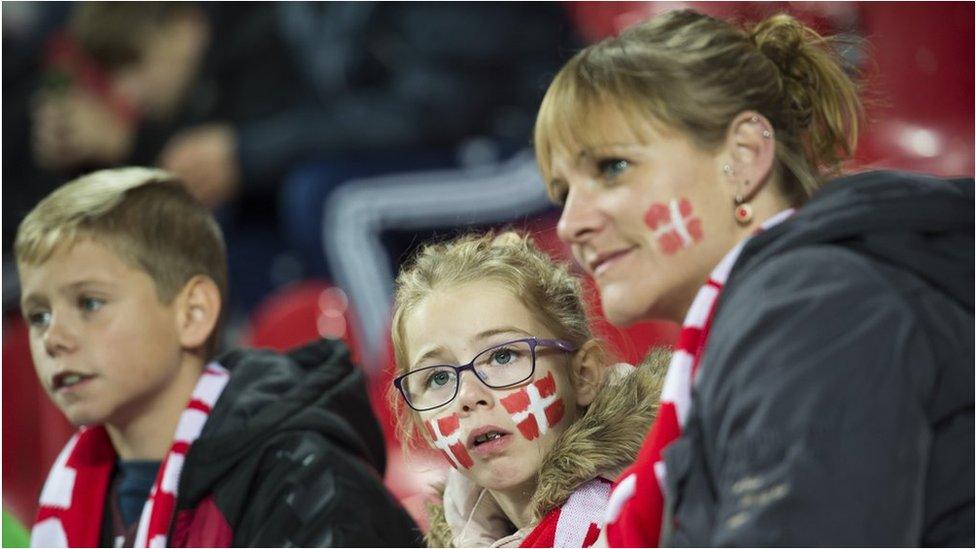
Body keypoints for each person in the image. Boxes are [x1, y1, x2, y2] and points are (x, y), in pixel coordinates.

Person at [533, 9, 974, 547]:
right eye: (563, 191)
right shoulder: (785, 310)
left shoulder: (813, 312)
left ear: (743, 158)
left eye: (612, 167)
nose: (571, 223)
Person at [15, 167, 422, 547]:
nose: (53, 338)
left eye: (89, 303)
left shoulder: (305, 478)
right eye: (39, 315)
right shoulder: (72, 490)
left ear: (193, 313)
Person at [388, 232, 667, 547]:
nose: (468, 396)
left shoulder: (647, 511)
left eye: (502, 356)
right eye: (438, 378)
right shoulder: (454, 534)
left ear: (583, 375)